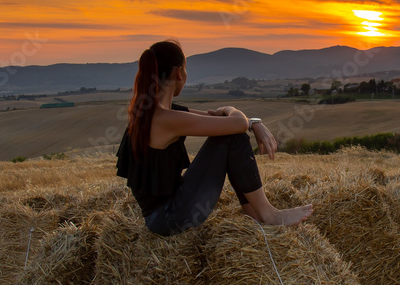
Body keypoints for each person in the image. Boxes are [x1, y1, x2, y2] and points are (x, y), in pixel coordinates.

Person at [115, 39, 313, 236]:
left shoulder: (156, 113)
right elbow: (236, 123)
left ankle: (256, 214)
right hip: (170, 218)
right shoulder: (165, 119)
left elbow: (218, 120)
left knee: (231, 135)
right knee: (233, 138)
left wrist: (253, 122)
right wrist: (231, 109)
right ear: (179, 73)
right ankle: (268, 214)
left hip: (163, 215)